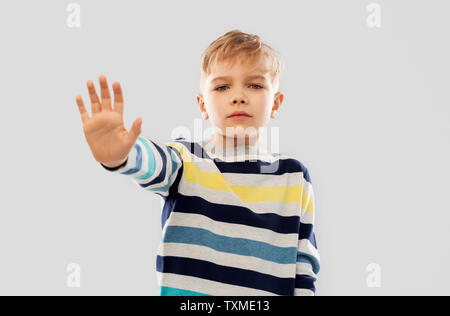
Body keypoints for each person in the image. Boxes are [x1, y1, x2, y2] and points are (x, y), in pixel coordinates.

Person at [75, 29, 320, 296]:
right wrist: (119, 154)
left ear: (276, 103)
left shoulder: (294, 177)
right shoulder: (184, 160)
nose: (238, 96)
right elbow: (153, 163)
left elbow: (303, 268)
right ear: (203, 105)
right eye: (222, 87)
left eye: (255, 85)